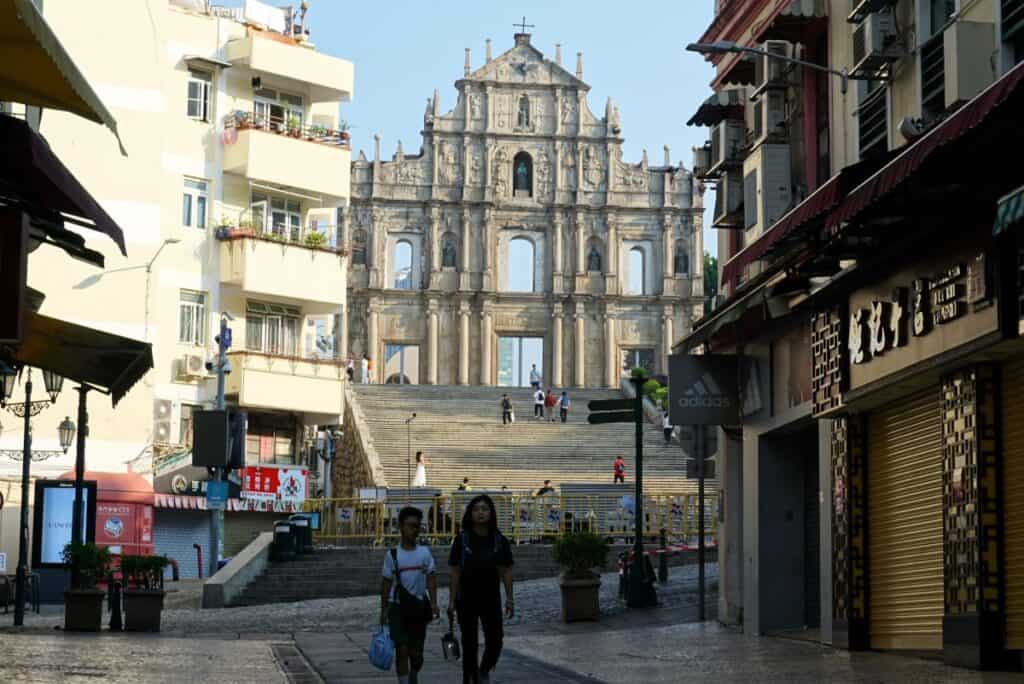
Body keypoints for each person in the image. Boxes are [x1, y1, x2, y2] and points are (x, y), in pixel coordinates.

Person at [448, 495, 514, 684]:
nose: (480, 513)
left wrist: (510, 598)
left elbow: (506, 571)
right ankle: (470, 680)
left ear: (491, 513)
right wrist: (451, 602)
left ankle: (484, 668)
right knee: (469, 645)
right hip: (466, 598)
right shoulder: (461, 539)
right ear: (470, 513)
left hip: (491, 597)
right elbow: (454, 571)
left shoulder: (499, 540)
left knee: (495, 640)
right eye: (476, 509)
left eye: (485, 509)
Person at [381, 507, 439, 684]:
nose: (414, 529)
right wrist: (383, 610)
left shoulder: (424, 553)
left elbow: (431, 579)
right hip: (397, 608)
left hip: (419, 607)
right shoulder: (392, 555)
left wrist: (435, 604)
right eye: (410, 525)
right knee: (402, 649)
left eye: (417, 526)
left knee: (416, 654)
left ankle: (414, 673)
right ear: (401, 526)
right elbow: (385, 583)